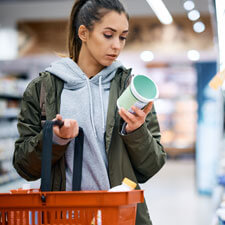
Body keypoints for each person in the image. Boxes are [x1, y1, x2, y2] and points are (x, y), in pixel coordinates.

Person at [13, 0, 166, 224]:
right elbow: (24, 166)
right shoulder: (43, 89)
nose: (117, 45)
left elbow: (151, 166)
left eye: (122, 37)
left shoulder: (129, 89)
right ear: (83, 33)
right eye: (108, 35)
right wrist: (55, 139)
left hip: (121, 216)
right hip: (64, 217)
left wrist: (136, 131)